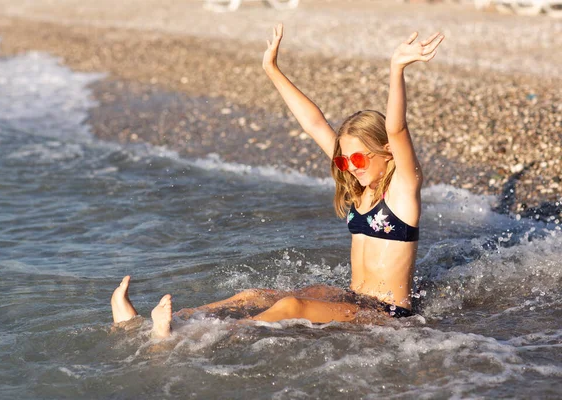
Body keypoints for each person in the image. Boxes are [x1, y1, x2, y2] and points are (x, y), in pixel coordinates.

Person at [111, 24, 444, 338]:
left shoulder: (402, 190)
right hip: (356, 299)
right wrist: (272, 70)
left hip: (388, 316)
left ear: (386, 152)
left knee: (291, 306)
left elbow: (397, 129)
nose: (350, 168)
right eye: (344, 160)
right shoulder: (358, 187)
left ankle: (194, 337)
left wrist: (396, 69)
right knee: (252, 295)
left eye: (358, 159)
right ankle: (159, 323)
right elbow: (314, 123)